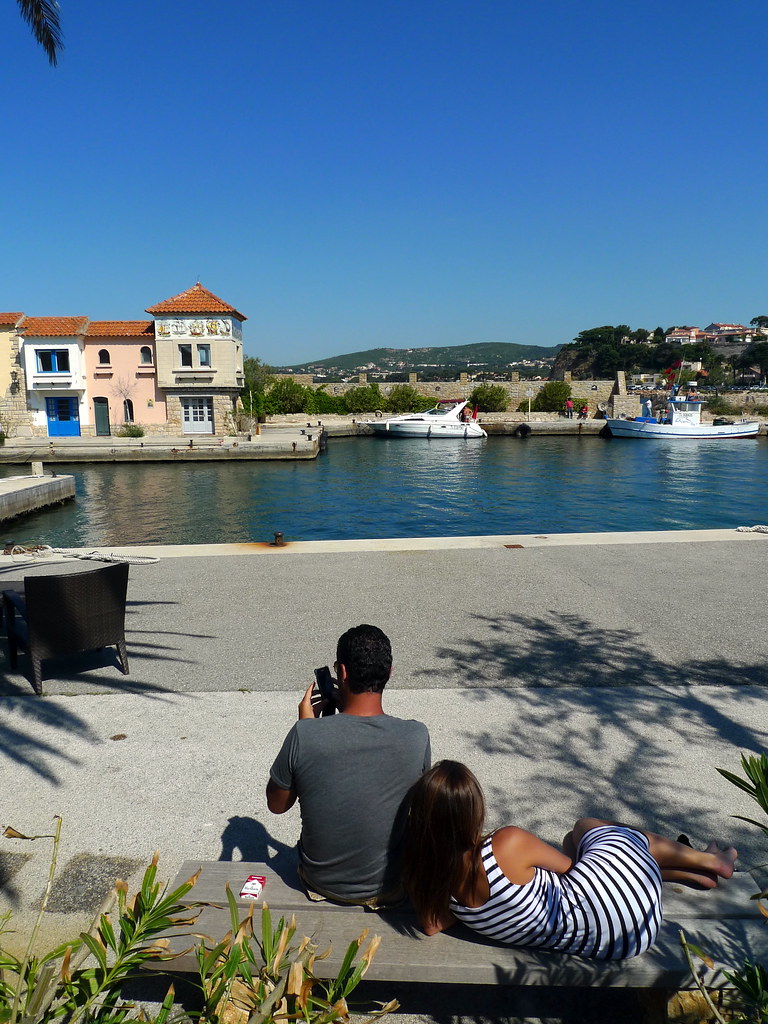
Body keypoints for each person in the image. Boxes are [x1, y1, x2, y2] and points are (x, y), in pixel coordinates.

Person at [402, 761, 737, 961]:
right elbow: (572, 869)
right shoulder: (506, 844)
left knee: (577, 844)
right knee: (585, 830)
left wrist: (484, 912)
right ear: (473, 810)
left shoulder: (426, 877)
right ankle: (711, 861)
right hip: (631, 917)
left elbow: (432, 926)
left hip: (626, 943)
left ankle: (685, 872)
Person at [267, 624, 431, 906]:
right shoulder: (416, 736)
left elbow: (277, 805)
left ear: (342, 672)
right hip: (389, 886)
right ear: (389, 673)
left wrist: (308, 727)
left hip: (320, 882)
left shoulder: (305, 734)